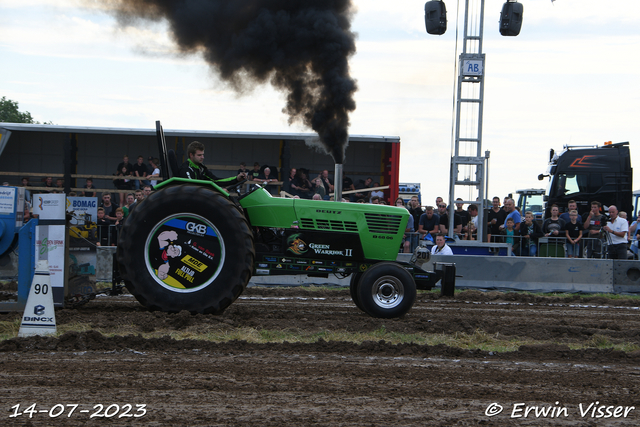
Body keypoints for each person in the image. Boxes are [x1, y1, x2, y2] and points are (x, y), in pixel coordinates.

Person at [178, 141, 246, 186]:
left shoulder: (201, 168)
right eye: (199, 155)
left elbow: (215, 181)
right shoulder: (185, 169)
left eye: (203, 155)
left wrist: (236, 179)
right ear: (191, 155)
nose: (202, 157)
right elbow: (191, 189)